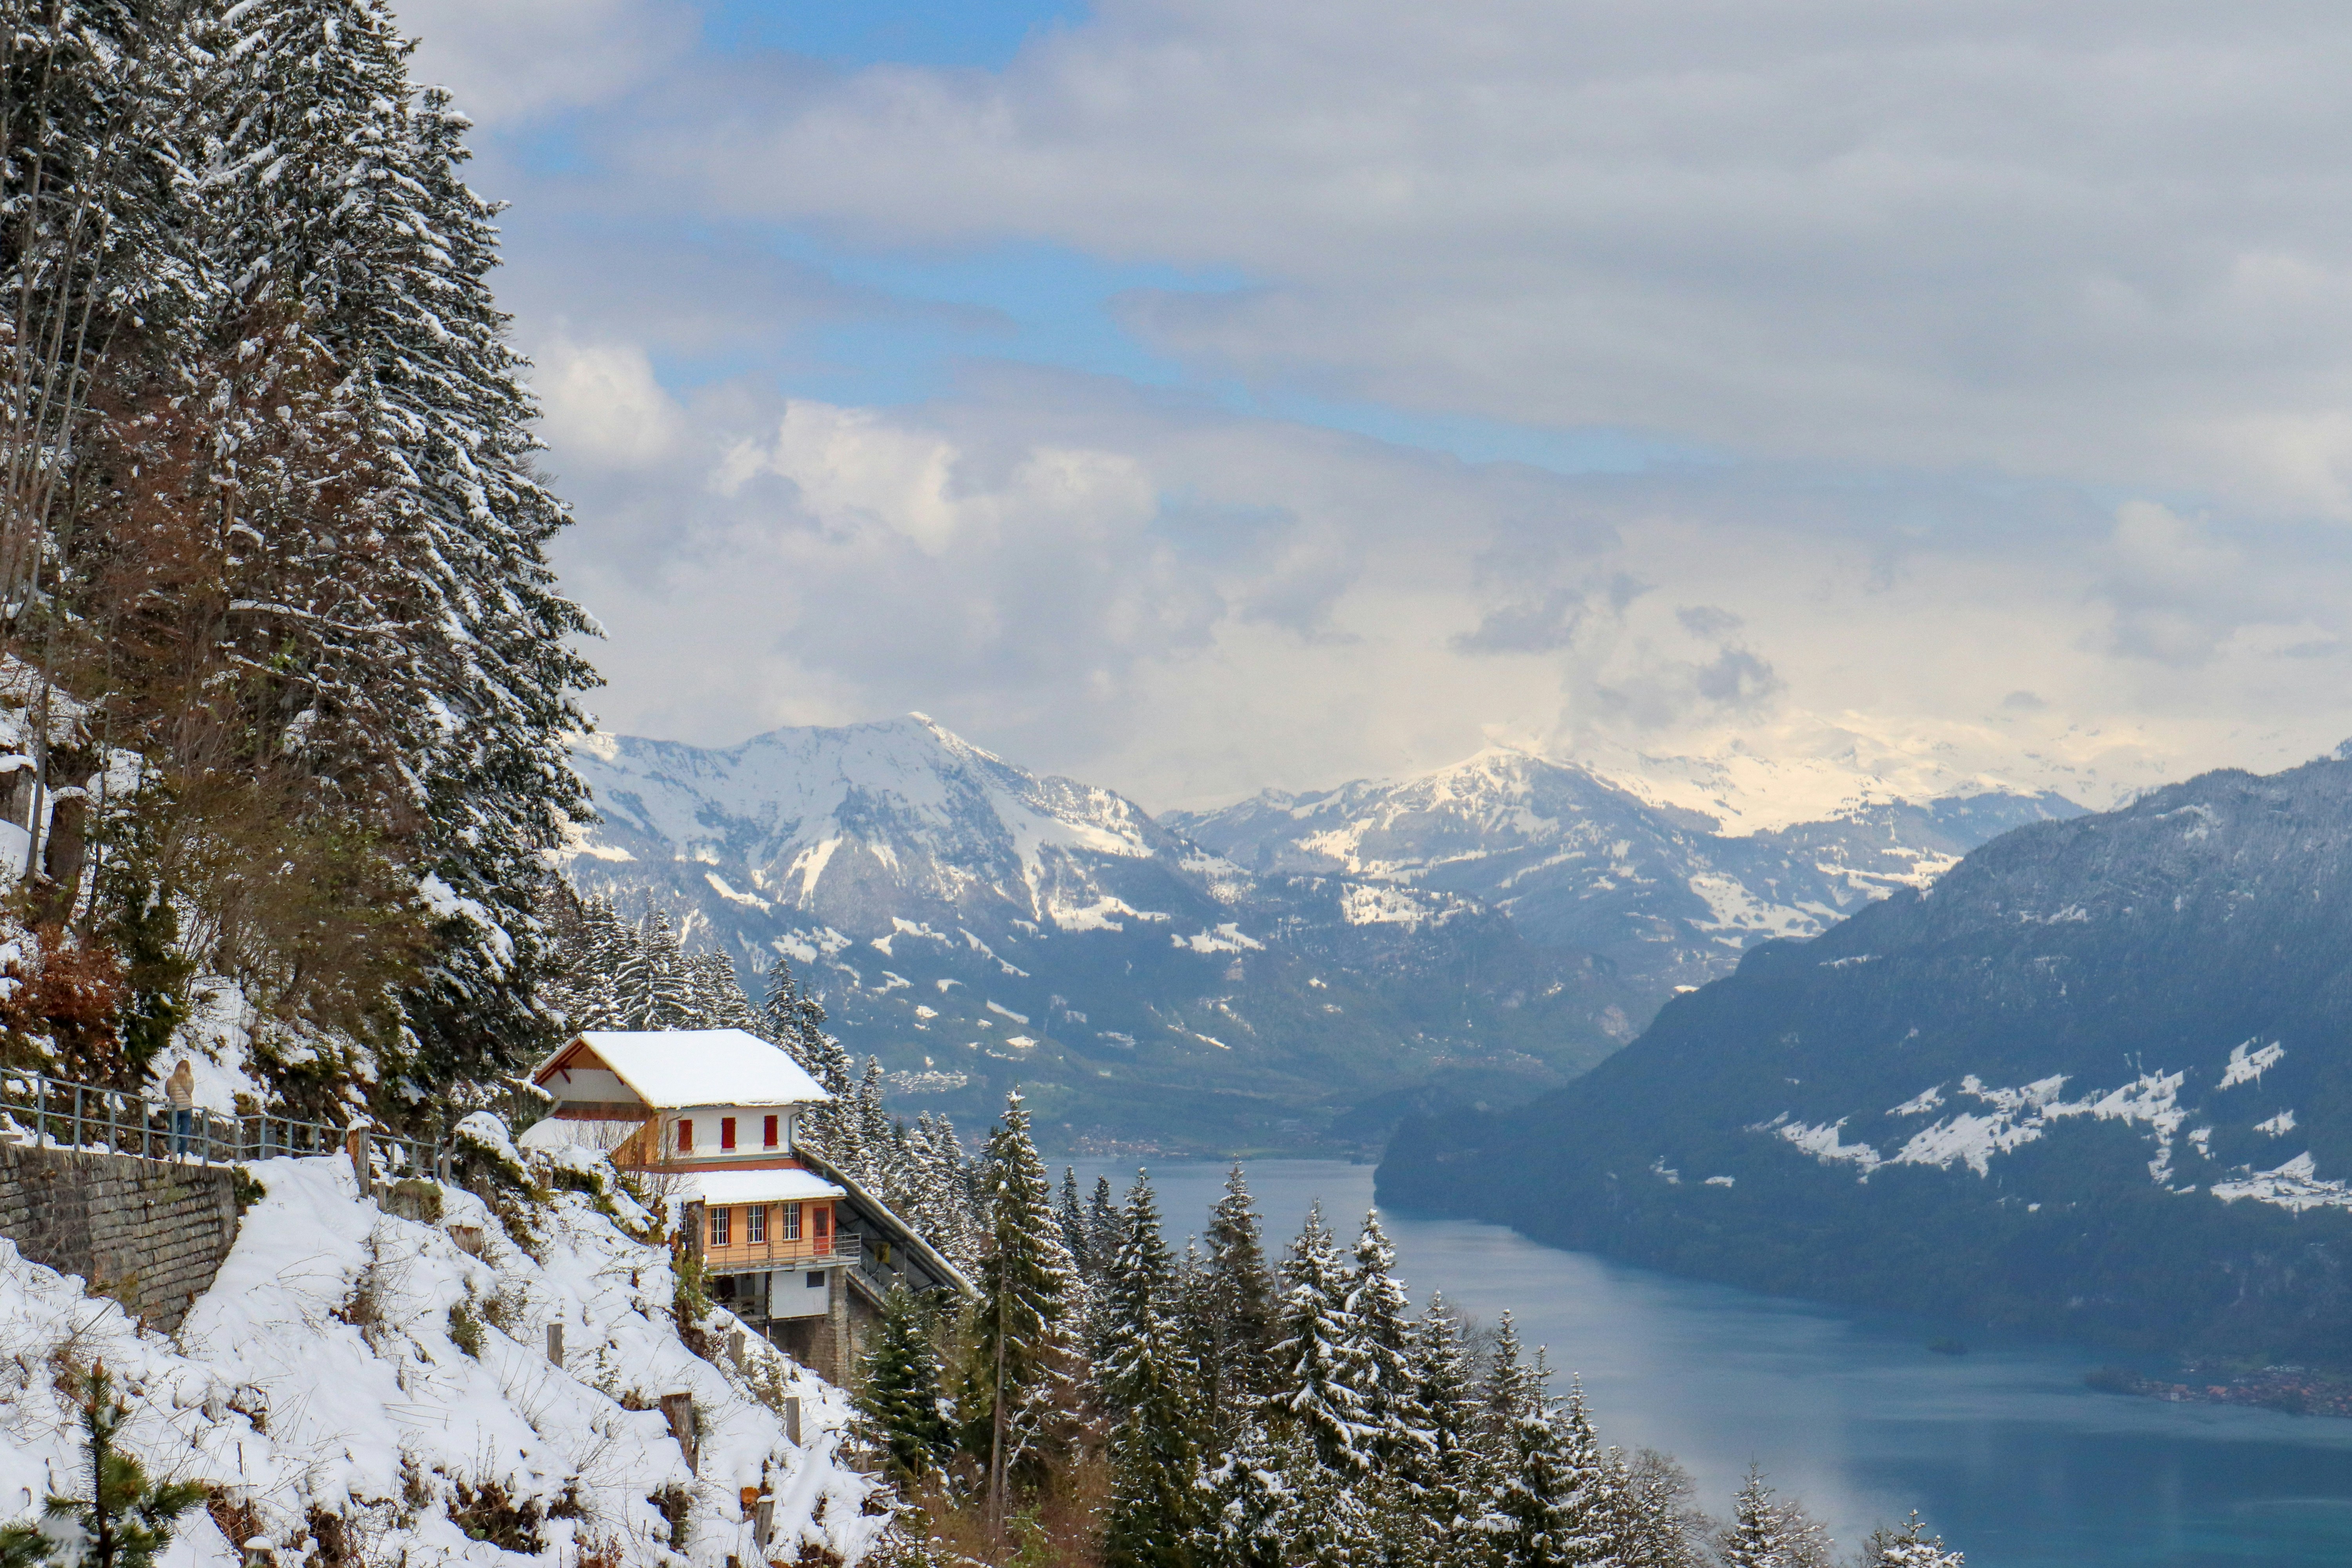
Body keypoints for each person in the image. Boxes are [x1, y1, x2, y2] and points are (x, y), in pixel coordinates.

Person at [164, 1058, 196, 1158]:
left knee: (173, 1132)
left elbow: (167, 1092)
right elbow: (190, 1091)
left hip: (174, 1109)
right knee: (185, 1133)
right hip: (187, 1108)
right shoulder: (190, 1080)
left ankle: (172, 1154)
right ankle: (183, 1158)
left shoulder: (170, 1080)